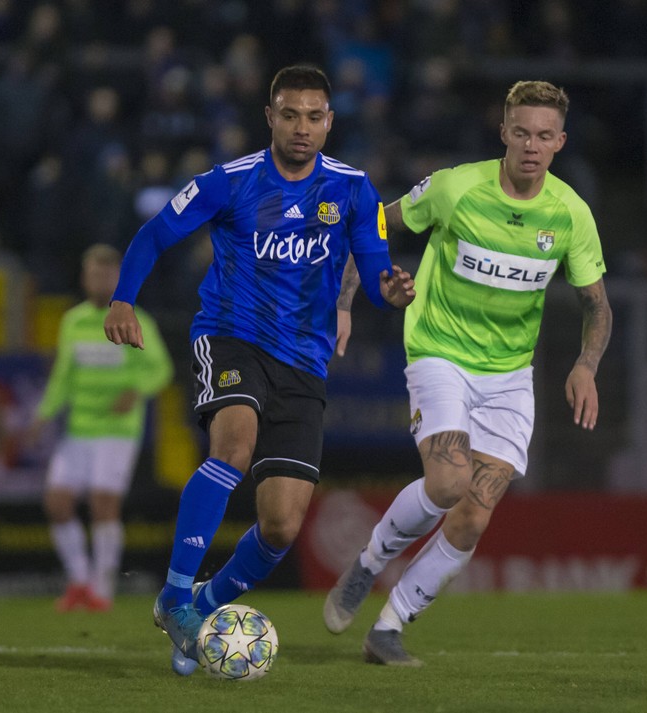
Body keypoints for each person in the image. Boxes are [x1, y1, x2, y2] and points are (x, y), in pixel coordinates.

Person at [104, 65, 414, 674]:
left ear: (330, 121)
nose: (303, 128)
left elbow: (375, 272)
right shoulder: (230, 182)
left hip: (304, 363)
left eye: (315, 117)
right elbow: (153, 233)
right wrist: (122, 298)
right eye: (291, 115)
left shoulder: (353, 190)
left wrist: (391, 290)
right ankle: (172, 593)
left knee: (280, 527)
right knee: (234, 445)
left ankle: (203, 606)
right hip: (231, 338)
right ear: (269, 117)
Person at [323, 80, 613, 666]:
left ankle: (389, 626)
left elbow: (597, 304)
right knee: (450, 482)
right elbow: (376, 225)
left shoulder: (570, 215)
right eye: (522, 132)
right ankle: (369, 563)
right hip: (439, 350)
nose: (532, 146)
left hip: (509, 373)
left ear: (560, 142)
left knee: (474, 515)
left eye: (544, 136)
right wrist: (346, 299)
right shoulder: (457, 187)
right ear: (504, 132)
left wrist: (586, 366)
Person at [33, 243, 174, 612]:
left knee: (103, 504)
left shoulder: (135, 320)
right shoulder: (73, 321)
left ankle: (102, 587)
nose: (100, 280)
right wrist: (43, 415)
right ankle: (79, 579)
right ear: (84, 277)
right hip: (78, 429)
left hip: (117, 430)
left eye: (107, 274)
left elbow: (161, 369)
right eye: (94, 273)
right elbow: (63, 376)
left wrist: (136, 390)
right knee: (58, 502)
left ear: (118, 278)